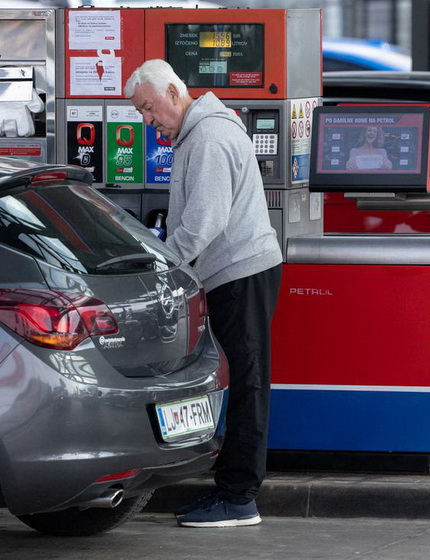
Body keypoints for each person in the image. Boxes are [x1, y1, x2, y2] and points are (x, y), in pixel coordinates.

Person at [124, 59, 282, 528]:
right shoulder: (200, 132)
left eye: (149, 108)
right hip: (234, 272)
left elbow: (203, 223)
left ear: (174, 92)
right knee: (242, 378)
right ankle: (231, 491)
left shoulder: (209, 138)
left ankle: (238, 498)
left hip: (240, 272)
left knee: (249, 382)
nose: (147, 121)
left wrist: (162, 265)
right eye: (141, 113)